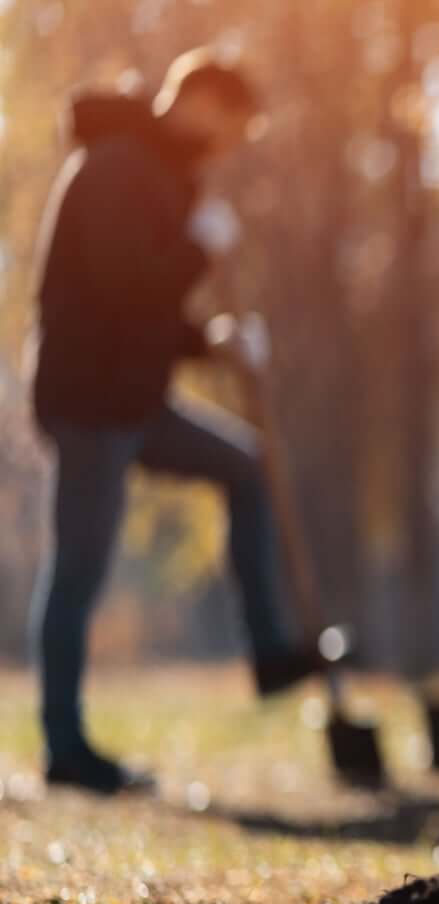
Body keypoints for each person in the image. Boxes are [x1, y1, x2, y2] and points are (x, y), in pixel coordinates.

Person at [29, 49, 327, 794]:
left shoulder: (159, 172)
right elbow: (129, 286)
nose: (231, 144)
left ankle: (270, 650)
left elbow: (146, 307)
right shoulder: (118, 167)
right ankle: (66, 749)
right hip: (91, 402)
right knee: (79, 572)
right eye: (233, 125)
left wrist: (211, 341)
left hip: (135, 397)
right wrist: (199, 248)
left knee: (245, 463)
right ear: (199, 101)